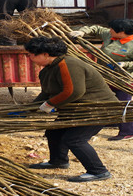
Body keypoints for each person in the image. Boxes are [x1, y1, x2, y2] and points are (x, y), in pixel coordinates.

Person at [24, 36, 116, 182]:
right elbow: (46, 93)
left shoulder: (68, 64)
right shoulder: (47, 70)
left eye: (31, 54)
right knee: (54, 132)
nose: (29, 57)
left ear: (45, 54)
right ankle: (58, 161)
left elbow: (73, 92)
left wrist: (49, 104)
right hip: (76, 110)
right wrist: (28, 110)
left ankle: (98, 171)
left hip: (97, 109)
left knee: (75, 140)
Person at [69, 19, 133, 141]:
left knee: (122, 103)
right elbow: (96, 28)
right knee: (107, 99)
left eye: (112, 29)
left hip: (125, 79)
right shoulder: (111, 34)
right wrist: (82, 32)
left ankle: (129, 132)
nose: (109, 31)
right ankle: (114, 121)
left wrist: (126, 65)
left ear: (122, 32)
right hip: (107, 76)